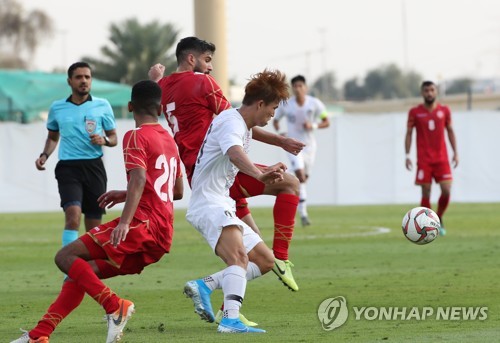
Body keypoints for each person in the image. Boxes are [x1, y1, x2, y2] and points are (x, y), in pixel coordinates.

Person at [11, 80, 184, 343]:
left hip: (142, 225)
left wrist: (125, 222)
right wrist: (124, 194)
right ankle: (40, 334)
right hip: (162, 234)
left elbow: (138, 179)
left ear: (129, 106)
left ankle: (115, 306)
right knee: (80, 273)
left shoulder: (136, 135)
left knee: (64, 257)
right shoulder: (169, 140)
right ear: (159, 109)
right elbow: (177, 191)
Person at [149, 37, 304, 294]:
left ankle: (225, 303)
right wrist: (280, 142)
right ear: (191, 59)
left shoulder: (163, 87)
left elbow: (146, 102)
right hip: (217, 165)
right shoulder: (202, 82)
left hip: (200, 174)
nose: (210, 67)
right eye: (207, 60)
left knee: (257, 257)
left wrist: (154, 80)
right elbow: (241, 119)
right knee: (290, 184)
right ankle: (283, 258)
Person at [184, 69, 289, 333]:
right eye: (273, 108)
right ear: (260, 103)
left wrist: (277, 147)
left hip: (221, 202)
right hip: (209, 203)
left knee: (265, 261)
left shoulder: (242, 124)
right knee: (239, 258)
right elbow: (234, 152)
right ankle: (230, 320)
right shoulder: (231, 122)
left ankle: (205, 285)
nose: (272, 115)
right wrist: (259, 174)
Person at [35, 62, 118, 247]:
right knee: (73, 216)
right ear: (69, 81)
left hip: (94, 167)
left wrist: (104, 140)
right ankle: (69, 268)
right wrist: (44, 155)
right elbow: (53, 137)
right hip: (68, 167)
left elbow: (114, 138)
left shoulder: (102, 105)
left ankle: (87, 268)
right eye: (79, 77)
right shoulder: (57, 108)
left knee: (94, 228)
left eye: (87, 77)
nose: (84, 81)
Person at [273, 75, 330, 226]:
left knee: (303, 179)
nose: (298, 89)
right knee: (300, 175)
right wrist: (281, 134)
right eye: (295, 86)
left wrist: (314, 126)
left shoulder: (314, 104)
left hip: (310, 147)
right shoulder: (287, 105)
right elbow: (276, 120)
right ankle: (303, 214)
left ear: (306, 87)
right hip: (293, 146)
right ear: (292, 88)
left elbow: (326, 121)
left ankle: (301, 208)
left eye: (300, 86)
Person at [405, 80, 458, 235]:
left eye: (432, 90)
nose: (429, 93)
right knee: (426, 192)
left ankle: (439, 217)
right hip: (424, 159)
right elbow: (409, 133)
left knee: (446, 190)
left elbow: (450, 131)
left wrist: (456, 152)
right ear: (422, 93)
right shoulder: (415, 112)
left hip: (442, 159)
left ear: (436, 92)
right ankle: (428, 224)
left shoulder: (444, 110)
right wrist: (407, 155)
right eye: (426, 90)